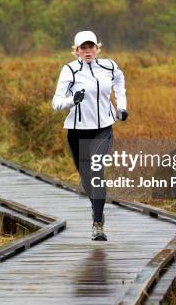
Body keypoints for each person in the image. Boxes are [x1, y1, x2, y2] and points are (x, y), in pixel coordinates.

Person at [51, 30, 128, 241]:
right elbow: (57, 102)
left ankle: (97, 224)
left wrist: (121, 107)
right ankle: (98, 208)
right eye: (83, 48)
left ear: (97, 48)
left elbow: (120, 83)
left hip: (103, 128)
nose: (87, 51)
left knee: (96, 170)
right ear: (76, 50)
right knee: (87, 178)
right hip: (77, 131)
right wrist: (71, 100)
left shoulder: (109, 66)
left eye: (91, 47)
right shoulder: (69, 71)